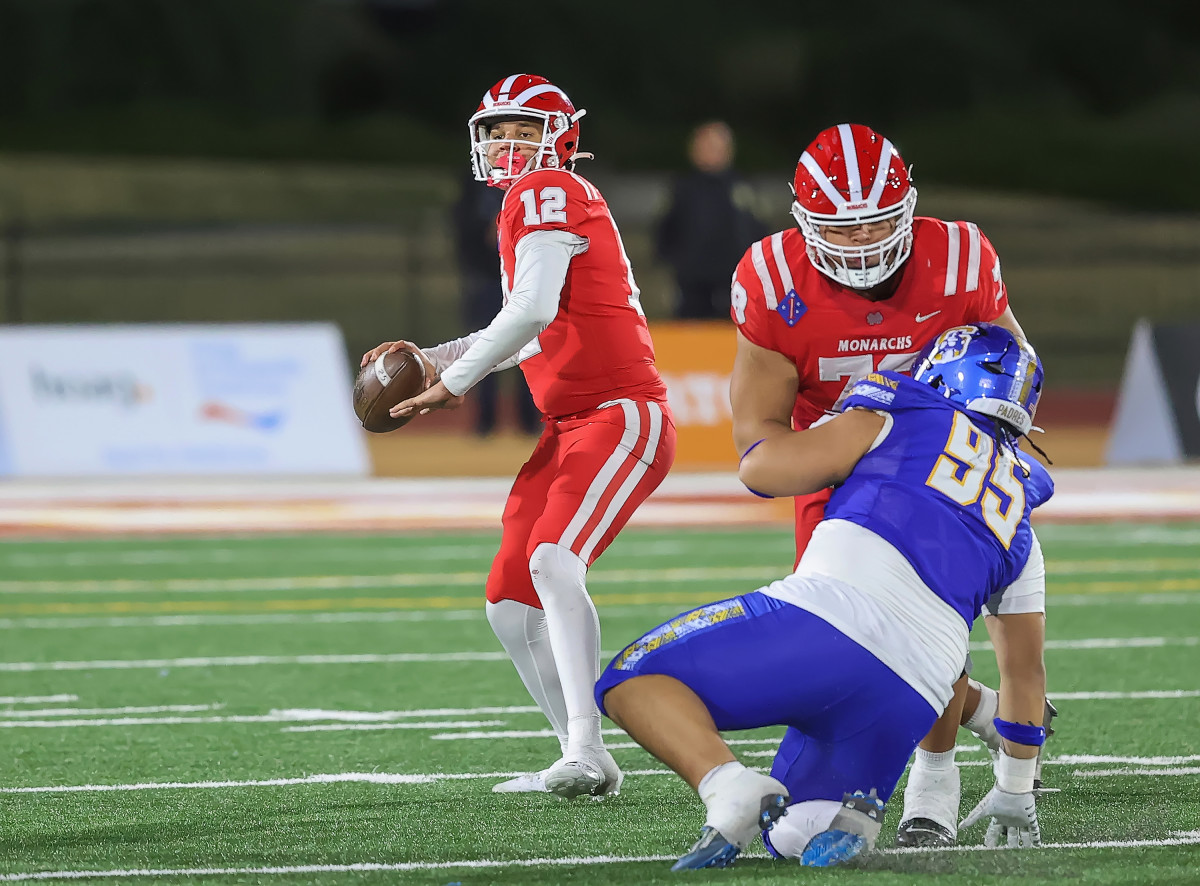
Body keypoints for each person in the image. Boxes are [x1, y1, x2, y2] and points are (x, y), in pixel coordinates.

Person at [597, 324, 1051, 870]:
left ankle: (729, 787)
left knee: (631, 680)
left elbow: (764, 470)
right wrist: (1015, 788)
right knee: (789, 835)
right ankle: (848, 816)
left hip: (831, 621)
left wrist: (801, 430)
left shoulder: (896, 412)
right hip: (919, 692)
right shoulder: (1021, 516)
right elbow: (1025, 676)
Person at [726, 122, 1052, 846]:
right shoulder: (774, 280)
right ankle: (979, 714)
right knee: (859, 641)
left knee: (927, 625)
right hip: (841, 470)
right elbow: (760, 443)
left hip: (945, 471)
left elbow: (1012, 369)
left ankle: (934, 787)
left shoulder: (960, 256)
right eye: (842, 227)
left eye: (877, 219)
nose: (864, 241)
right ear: (803, 221)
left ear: (909, 204)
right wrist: (854, 442)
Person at [362, 73, 676, 799]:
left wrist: (454, 382)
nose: (507, 145)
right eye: (496, 132)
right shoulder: (534, 205)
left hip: (619, 413)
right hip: (572, 426)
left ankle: (588, 748)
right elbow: (530, 330)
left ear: (559, 139)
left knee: (554, 563)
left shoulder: (548, 192)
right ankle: (582, 753)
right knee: (509, 604)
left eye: (523, 132)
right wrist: (439, 359)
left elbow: (530, 312)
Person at [450, 169, 541, 436]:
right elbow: (467, 230)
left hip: (516, 280)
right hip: (489, 280)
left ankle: (528, 419)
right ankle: (486, 421)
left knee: (526, 349)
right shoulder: (477, 186)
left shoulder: (529, 183)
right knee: (487, 350)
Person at [654, 121, 767, 319]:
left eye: (717, 147)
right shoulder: (683, 189)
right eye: (705, 147)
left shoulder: (742, 188)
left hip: (735, 284)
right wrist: (675, 263)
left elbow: (759, 231)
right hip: (692, 287)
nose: (711, 153)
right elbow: (665, 232)